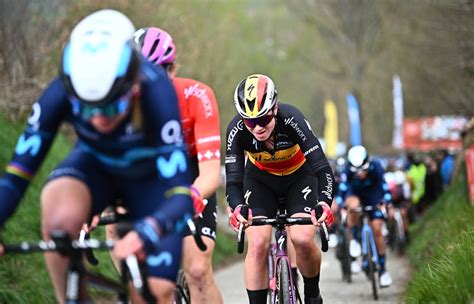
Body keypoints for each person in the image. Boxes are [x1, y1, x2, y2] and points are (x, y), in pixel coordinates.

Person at [0, 10, 194, 303]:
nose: (99, 120)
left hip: (151, 182)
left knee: (155, 292)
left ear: (135, 84)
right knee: (57, 215)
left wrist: (148, 230)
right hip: (97, 168)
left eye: (112, 107)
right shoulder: (60, 92)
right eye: (88, 110)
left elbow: (180, 194)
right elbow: (16, 177)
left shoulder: (158, 91)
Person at [126, 26, 223, 304]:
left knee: (197, 270)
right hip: (149, 171)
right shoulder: (122, 101)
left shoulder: (198, 96)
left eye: (159, 72)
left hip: (191, 172)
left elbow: (209, 174)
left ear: (173, 69)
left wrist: (189, 197)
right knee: (140, 277)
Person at [225, 74, 335, 304]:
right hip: (260, 181)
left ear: (274, 108)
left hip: (299, 178)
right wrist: (237, 208)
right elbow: (234, 181)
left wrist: (324, 202)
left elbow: (323, 169)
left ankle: (312, 294)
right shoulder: (236, 129)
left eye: (263, 119)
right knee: (257, 243)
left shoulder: (292, 118)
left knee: (303, 238)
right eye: (249, 121)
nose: (257, 127)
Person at [337, 145, 393, 287]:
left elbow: (384, 187)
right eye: (356, 171)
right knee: (353, 207)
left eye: (363, 170)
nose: (360, 174)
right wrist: (342, 205)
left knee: (377, 228)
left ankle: (383, 270)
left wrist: (385, 202)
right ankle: (354, 240)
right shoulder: (347, 170)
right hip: (355, 194)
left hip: (373, 196)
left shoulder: (377, 166)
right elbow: (342, 190)